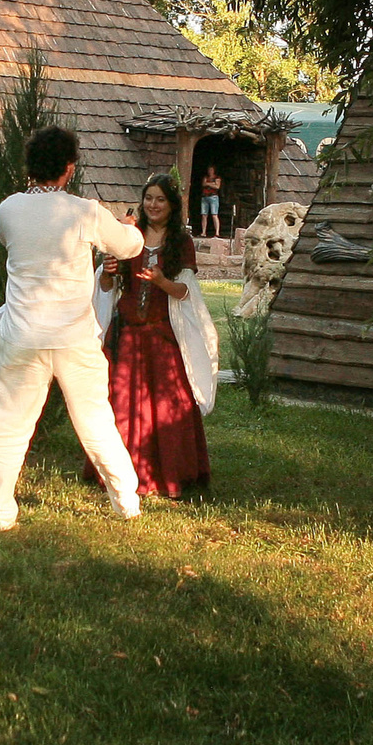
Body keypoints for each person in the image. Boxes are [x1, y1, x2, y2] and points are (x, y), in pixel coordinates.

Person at [0, 125, 146, 531]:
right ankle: (126, 501)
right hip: (74, 339)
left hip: (20, 335)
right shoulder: (85, 212)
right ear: (70, 168)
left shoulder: (8, 209)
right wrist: (128, 226)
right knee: (95, 421)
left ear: (30, 166)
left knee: (7, 425)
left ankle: (0, 512)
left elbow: (8, 238)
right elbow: (130, 247)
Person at [91, 172, 217, 500]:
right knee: (121, 399)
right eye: (149, 198)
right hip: (127, 334)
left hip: (163, 335)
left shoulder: (180, 242)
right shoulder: (129, 237)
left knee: (167, 403)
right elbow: (107, 286)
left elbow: (185, 292)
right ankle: (120, 473)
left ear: (172, 205)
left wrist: (161, 282)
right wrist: (107, 273)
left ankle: (168, 473)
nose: (153, 205)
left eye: (160, 199)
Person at [196, 164, 224, 240]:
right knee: (204, 215)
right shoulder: (206, 177)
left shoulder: (217, 178)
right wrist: (212, 184)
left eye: (211, 170)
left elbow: (217, 186)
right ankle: (203, 232)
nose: (210, 171)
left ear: (214, 170)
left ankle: (217, 232)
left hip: (213, 197)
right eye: (209, 170)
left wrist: (208, 184)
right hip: (205, 197)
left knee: (214, 214)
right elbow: (203, 184)